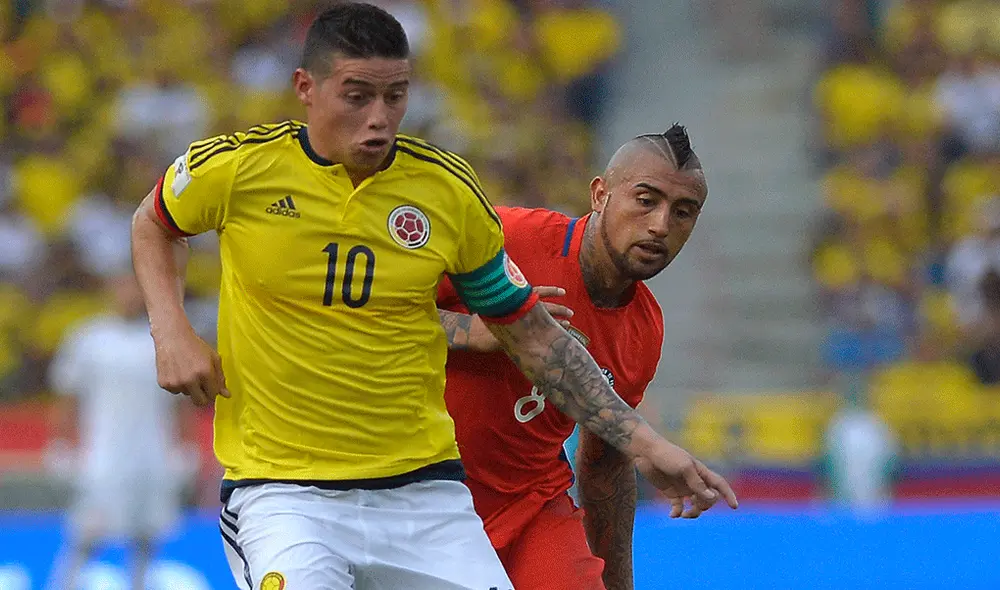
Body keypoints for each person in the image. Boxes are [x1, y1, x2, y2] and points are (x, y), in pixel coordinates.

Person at [130, 4, 737, 589]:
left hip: (427, 493)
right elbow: (155, 221)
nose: (379, 117)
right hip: (288, 489)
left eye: (395, 96)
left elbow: (532, 336)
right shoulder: (238, 169)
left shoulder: (446, 194)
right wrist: (171, 329)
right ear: (306, 88)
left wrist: (647, 446)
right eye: (357, 94)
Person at [438, 125, 716, 590]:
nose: (661, 226)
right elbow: (371, 316)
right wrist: (477, 329)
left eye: (683, 212)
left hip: (531, 509)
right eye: (646, 200)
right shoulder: (505, 237)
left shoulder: (644, 329)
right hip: (424, 491)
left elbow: (604, 465)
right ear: (600, 194)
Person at [45, 271, 193, 590]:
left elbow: (179, 402)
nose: (129, 295)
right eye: (123, 287)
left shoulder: (163, 340)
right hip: (103, 456)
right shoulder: (88, 338)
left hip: (152, 457)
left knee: (146, 537)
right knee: (87, 534)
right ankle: (63, 584)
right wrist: (60, 444)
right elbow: (68, 395)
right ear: (111, 289)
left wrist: (184, 449)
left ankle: (138, 584)